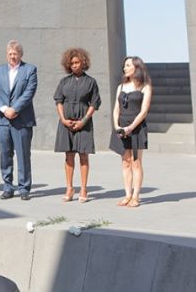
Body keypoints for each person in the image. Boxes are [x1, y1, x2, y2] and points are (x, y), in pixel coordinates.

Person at [0, 40, 38, 201]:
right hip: (3, 120)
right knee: (5, 154)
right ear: (7, 55)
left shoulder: (30, 70)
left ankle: (24, 188)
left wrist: (14, 109)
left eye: (15, 54)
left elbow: (29, 92)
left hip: (22, 120)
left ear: (20, 55)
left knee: (23, 155)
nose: (12, 57)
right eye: (10, 54)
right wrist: (4, 109)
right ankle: (8, 187)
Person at [53, 48, 101, 203]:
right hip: (66, 122)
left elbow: (94, 103)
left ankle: (84, 189)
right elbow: (59, 100)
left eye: (77, 62)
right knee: (68, 156)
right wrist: (63, 119)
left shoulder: (91, 82)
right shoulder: (64, 81)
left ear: (83, 62)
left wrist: (84, 121)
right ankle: (69, 188)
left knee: (83, 156)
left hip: (83, 123)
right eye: (71, 63)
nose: (74, 65)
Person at [111, 56, 152, 208]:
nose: (125, 68)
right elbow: (116, 108)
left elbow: (144, 111)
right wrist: (116, 125)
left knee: (136, 162)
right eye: (124, 66)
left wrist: (131, 127)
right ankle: (127, 195)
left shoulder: (145, 87)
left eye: (128, 65)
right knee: (125, 162)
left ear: (137, 67)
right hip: (122, 126)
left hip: (137, 128)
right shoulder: (121, 87)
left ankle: (136, 196)